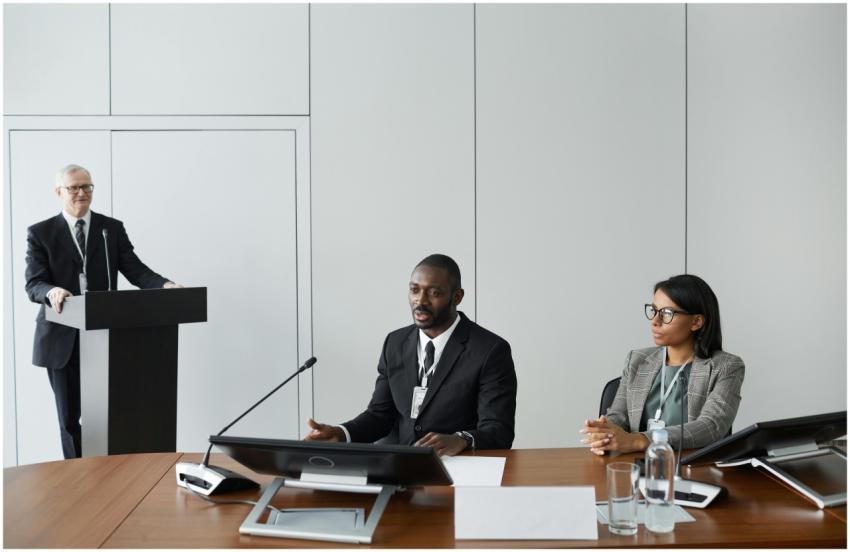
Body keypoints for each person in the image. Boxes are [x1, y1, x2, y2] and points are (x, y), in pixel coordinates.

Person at [25, 164, 181, 459]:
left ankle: (109, 478)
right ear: (59, 192)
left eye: (87, 187)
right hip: (63, 341)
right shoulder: (41, 233)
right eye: (74, 188)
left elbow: (135, 270)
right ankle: (77, 479)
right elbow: (34, 283)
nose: (82, 193)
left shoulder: (111, 229)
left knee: (110, 417)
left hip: (108, 338)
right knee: (70, 421)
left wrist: (165, 285)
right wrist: (52, 291)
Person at [305, 254, 517, 456]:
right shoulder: (395, 343)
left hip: (459, 468)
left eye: (434, 293)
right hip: (402, 468)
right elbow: (380, 416)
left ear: (457, 297)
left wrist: (460, 439)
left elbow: (498, 431)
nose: (420, 301)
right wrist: (341, 434)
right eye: (415, 290)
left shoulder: (489, 350)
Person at [580, 274, 744, 455]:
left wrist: (640, 440)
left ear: (696, 322)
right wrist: (605, 432)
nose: (654, 321)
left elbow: (711, 426)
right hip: (638, 465)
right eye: (653, 310)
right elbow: (619, 416)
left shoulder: (726, 366)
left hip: (694, 468)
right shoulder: (637, 359)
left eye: (666, 313)